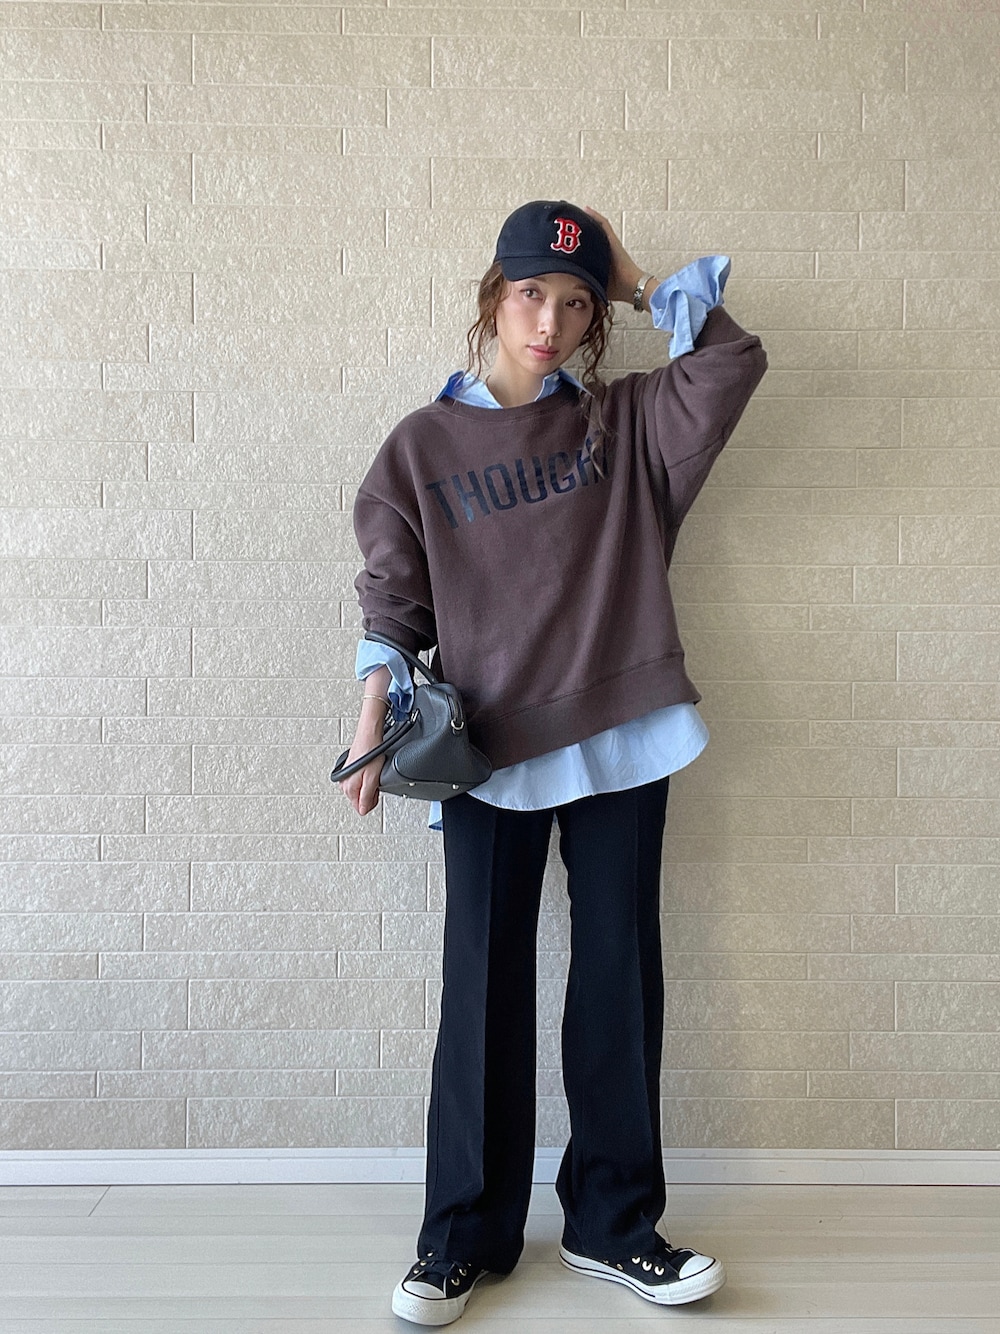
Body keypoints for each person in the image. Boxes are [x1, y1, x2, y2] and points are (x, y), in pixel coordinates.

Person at [339, 200, 767, 1326]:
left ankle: (614, 1224)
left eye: (576, 305)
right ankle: (461, 1235)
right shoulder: (420, 447)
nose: (550, 322)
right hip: (487, 747)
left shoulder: (624, 424)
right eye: (531, 293)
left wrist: (635, 280)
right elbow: (392, 595)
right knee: (481, 981)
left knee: (619, 976)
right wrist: (371, 714)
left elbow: (729, 362)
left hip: (624, 728)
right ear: (493, 297)